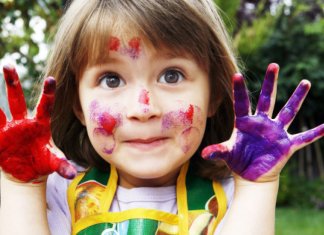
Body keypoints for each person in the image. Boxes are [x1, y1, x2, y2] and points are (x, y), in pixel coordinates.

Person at [0, 0, 323, 234]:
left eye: (171, 75)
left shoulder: (231, 199)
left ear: (214, 96)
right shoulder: (60, 195)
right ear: (77, 106)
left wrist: (257, 187)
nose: (144, 108)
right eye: (111, 79)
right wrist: (21, 187)